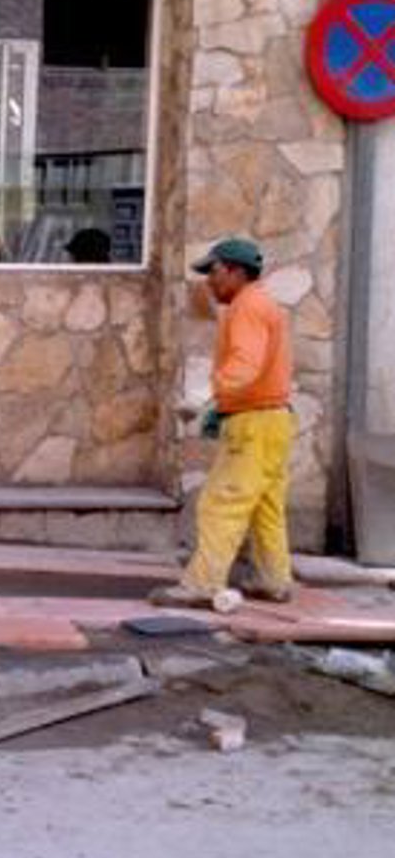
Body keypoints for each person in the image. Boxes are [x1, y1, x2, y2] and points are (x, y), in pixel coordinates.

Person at [151, 236, 295, 608]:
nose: (209, 281)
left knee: (220, 502)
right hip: (273, 420)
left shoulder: (247, 307)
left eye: (213, 272)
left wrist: (205, 394)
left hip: (254, 423)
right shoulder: (263, 304)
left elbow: (246, 363)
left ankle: (202, 585)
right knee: (264, 507)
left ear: (235, 272)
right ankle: (272, 579)